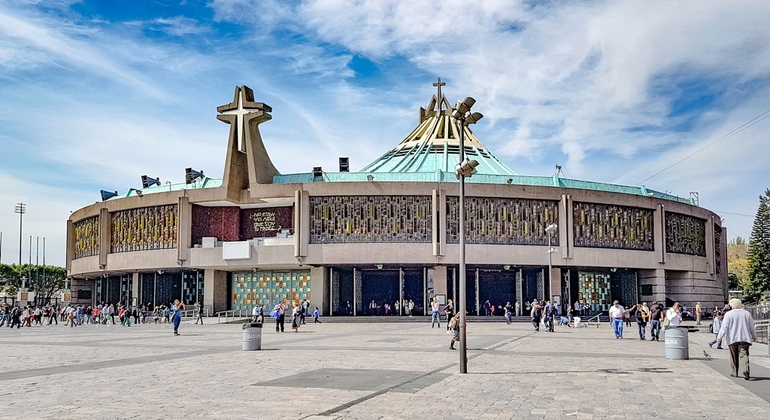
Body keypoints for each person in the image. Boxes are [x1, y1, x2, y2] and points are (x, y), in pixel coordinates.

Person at [716, 298, 757, 380]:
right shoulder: (747, 314)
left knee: (733, 355)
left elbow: (724, 327)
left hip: (732, 338)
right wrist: (754, 335)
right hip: (744, 338)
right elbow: (751, 326)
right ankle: (746, 370)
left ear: (731, 305)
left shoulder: (729, 314)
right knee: (744, 354)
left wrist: (719, 337)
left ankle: (734, 372)